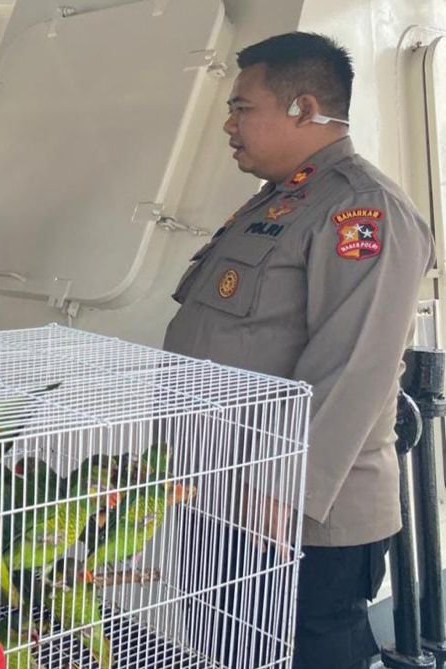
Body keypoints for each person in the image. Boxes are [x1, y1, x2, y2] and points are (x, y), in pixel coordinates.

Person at [163, 32, 434, 668]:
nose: (229, 125)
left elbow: (356, 365)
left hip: (295, 515)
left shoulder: (361, 208)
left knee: (309, 652)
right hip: (225, 493)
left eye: (241, 108)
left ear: (304, 107)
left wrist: (284, 491)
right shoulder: (284, 201)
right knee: (230, 649)